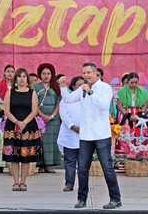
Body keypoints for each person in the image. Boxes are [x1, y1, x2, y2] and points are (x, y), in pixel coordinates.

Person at [61, 62, 122, 210]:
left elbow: (102, 106)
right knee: (82, 168)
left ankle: (115, 199)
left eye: (89, 72)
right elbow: (68, 100)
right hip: (86, 135)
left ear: (96, 74)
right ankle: (82, 199)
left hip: (101, 134)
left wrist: (90, 92)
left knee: (107, 167)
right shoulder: (82, 88)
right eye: (84, 73)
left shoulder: (105, 88)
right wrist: (63, 86)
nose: (86, 75)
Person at [2, 68, 41, 192]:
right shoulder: (10, 92)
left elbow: (34, 110)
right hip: (12, 127)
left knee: (25, 156)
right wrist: (17, 122)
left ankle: (23, 182)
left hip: (28, 126)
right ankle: (15, 182)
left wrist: (24, 122)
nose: (22, 79)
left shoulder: (32, 92)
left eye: (24, 76)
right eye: (19, 76)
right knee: (13, 156)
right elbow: (6, 111)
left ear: (27, 79)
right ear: (16, 79)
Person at [57, 76, 84, 192]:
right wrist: (72, 126)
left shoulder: (87, 98)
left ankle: (83, 185)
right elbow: (64, 115)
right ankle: (69, 184)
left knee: (83, 164)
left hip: (84, 135)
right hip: (69, 135)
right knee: (70, 162)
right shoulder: (65, 100)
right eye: (79, 85)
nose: (81, 87)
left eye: (84, 85)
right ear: (73, 87)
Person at [33, 63, 61, 173]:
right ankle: (40, 165)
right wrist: (42, 115)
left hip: (54, 119)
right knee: (40, 141)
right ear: (40, 74)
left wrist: (52, 115)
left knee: (52, 142)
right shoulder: (35, 87)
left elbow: (59, 102)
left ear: (52, 74)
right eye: (43, 73)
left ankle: (50, 165)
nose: (46, 76)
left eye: (48, 73)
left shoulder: (56, 86)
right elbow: (34, 103)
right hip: (39, 119)